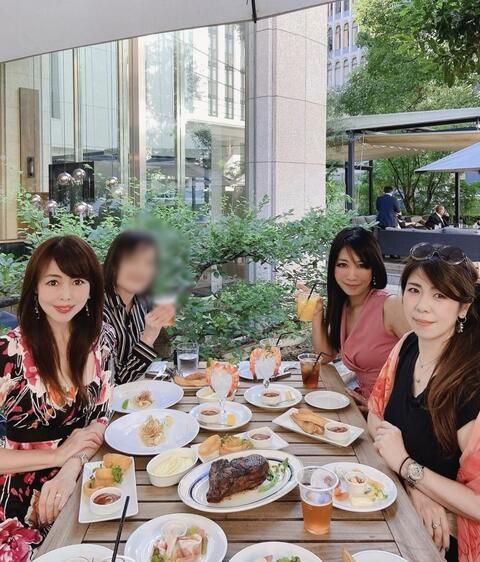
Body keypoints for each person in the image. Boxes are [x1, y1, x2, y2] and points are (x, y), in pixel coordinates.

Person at [0, 235, 115, 558]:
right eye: (53, 282)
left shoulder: (101, 340)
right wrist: (57, 456)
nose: (66, 295)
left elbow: (101, 419)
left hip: (83, 482)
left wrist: (69, 468)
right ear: (35, 288)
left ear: (91, 287)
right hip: (16, 503)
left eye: (77, 281)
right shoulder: (8, 353)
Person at [368, 242, 480, 562]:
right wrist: (413, 485)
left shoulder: (471, 386)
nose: (422, 306)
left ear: (463, 307)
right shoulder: (407, 345)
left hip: (445, 544)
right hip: (398, 511)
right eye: (414, 290)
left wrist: (406, 466)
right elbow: (375, 416)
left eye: (440, 295)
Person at [297, 227, 410, 411]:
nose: (351, 275)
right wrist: (317, 313)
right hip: (361, 405)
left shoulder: (391, 306)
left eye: (362, 265)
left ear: (374, 268)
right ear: (333, 268)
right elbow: (325, 357)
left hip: (395, 413)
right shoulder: (344, 306)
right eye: (343, 265)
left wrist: (382, 407)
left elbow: (429, 366)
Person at [103, 230, 175, 385]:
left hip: (136, 393)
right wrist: (148, 337)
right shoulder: (98, 311)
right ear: (114, 263)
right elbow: (115, 382)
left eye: (149, 263)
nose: (141, 270)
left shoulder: (140, 303)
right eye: (132, 261)